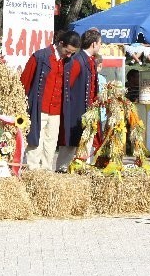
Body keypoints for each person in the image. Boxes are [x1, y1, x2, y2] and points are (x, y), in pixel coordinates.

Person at [20, 30, 79, 171]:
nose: (69, 55)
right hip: (39, 108)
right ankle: (32, 171)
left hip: (56, 111)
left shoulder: (69, 62)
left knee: (51, 144)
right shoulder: (40, 56)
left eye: (72, 53)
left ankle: (46, 172)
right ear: (60, 43)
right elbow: (24, 82)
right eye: (68, 51)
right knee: (35, 142)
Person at [58, 29, 101, 170]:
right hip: (76, 111)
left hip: (87, 113)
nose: (100, 46)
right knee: (70, 145)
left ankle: (81, 170)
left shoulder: (89, 60)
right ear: (94, 43)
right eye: (100, 43)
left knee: (85, 145)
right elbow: (67, 88)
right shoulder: (77, 60)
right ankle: (62, 170)